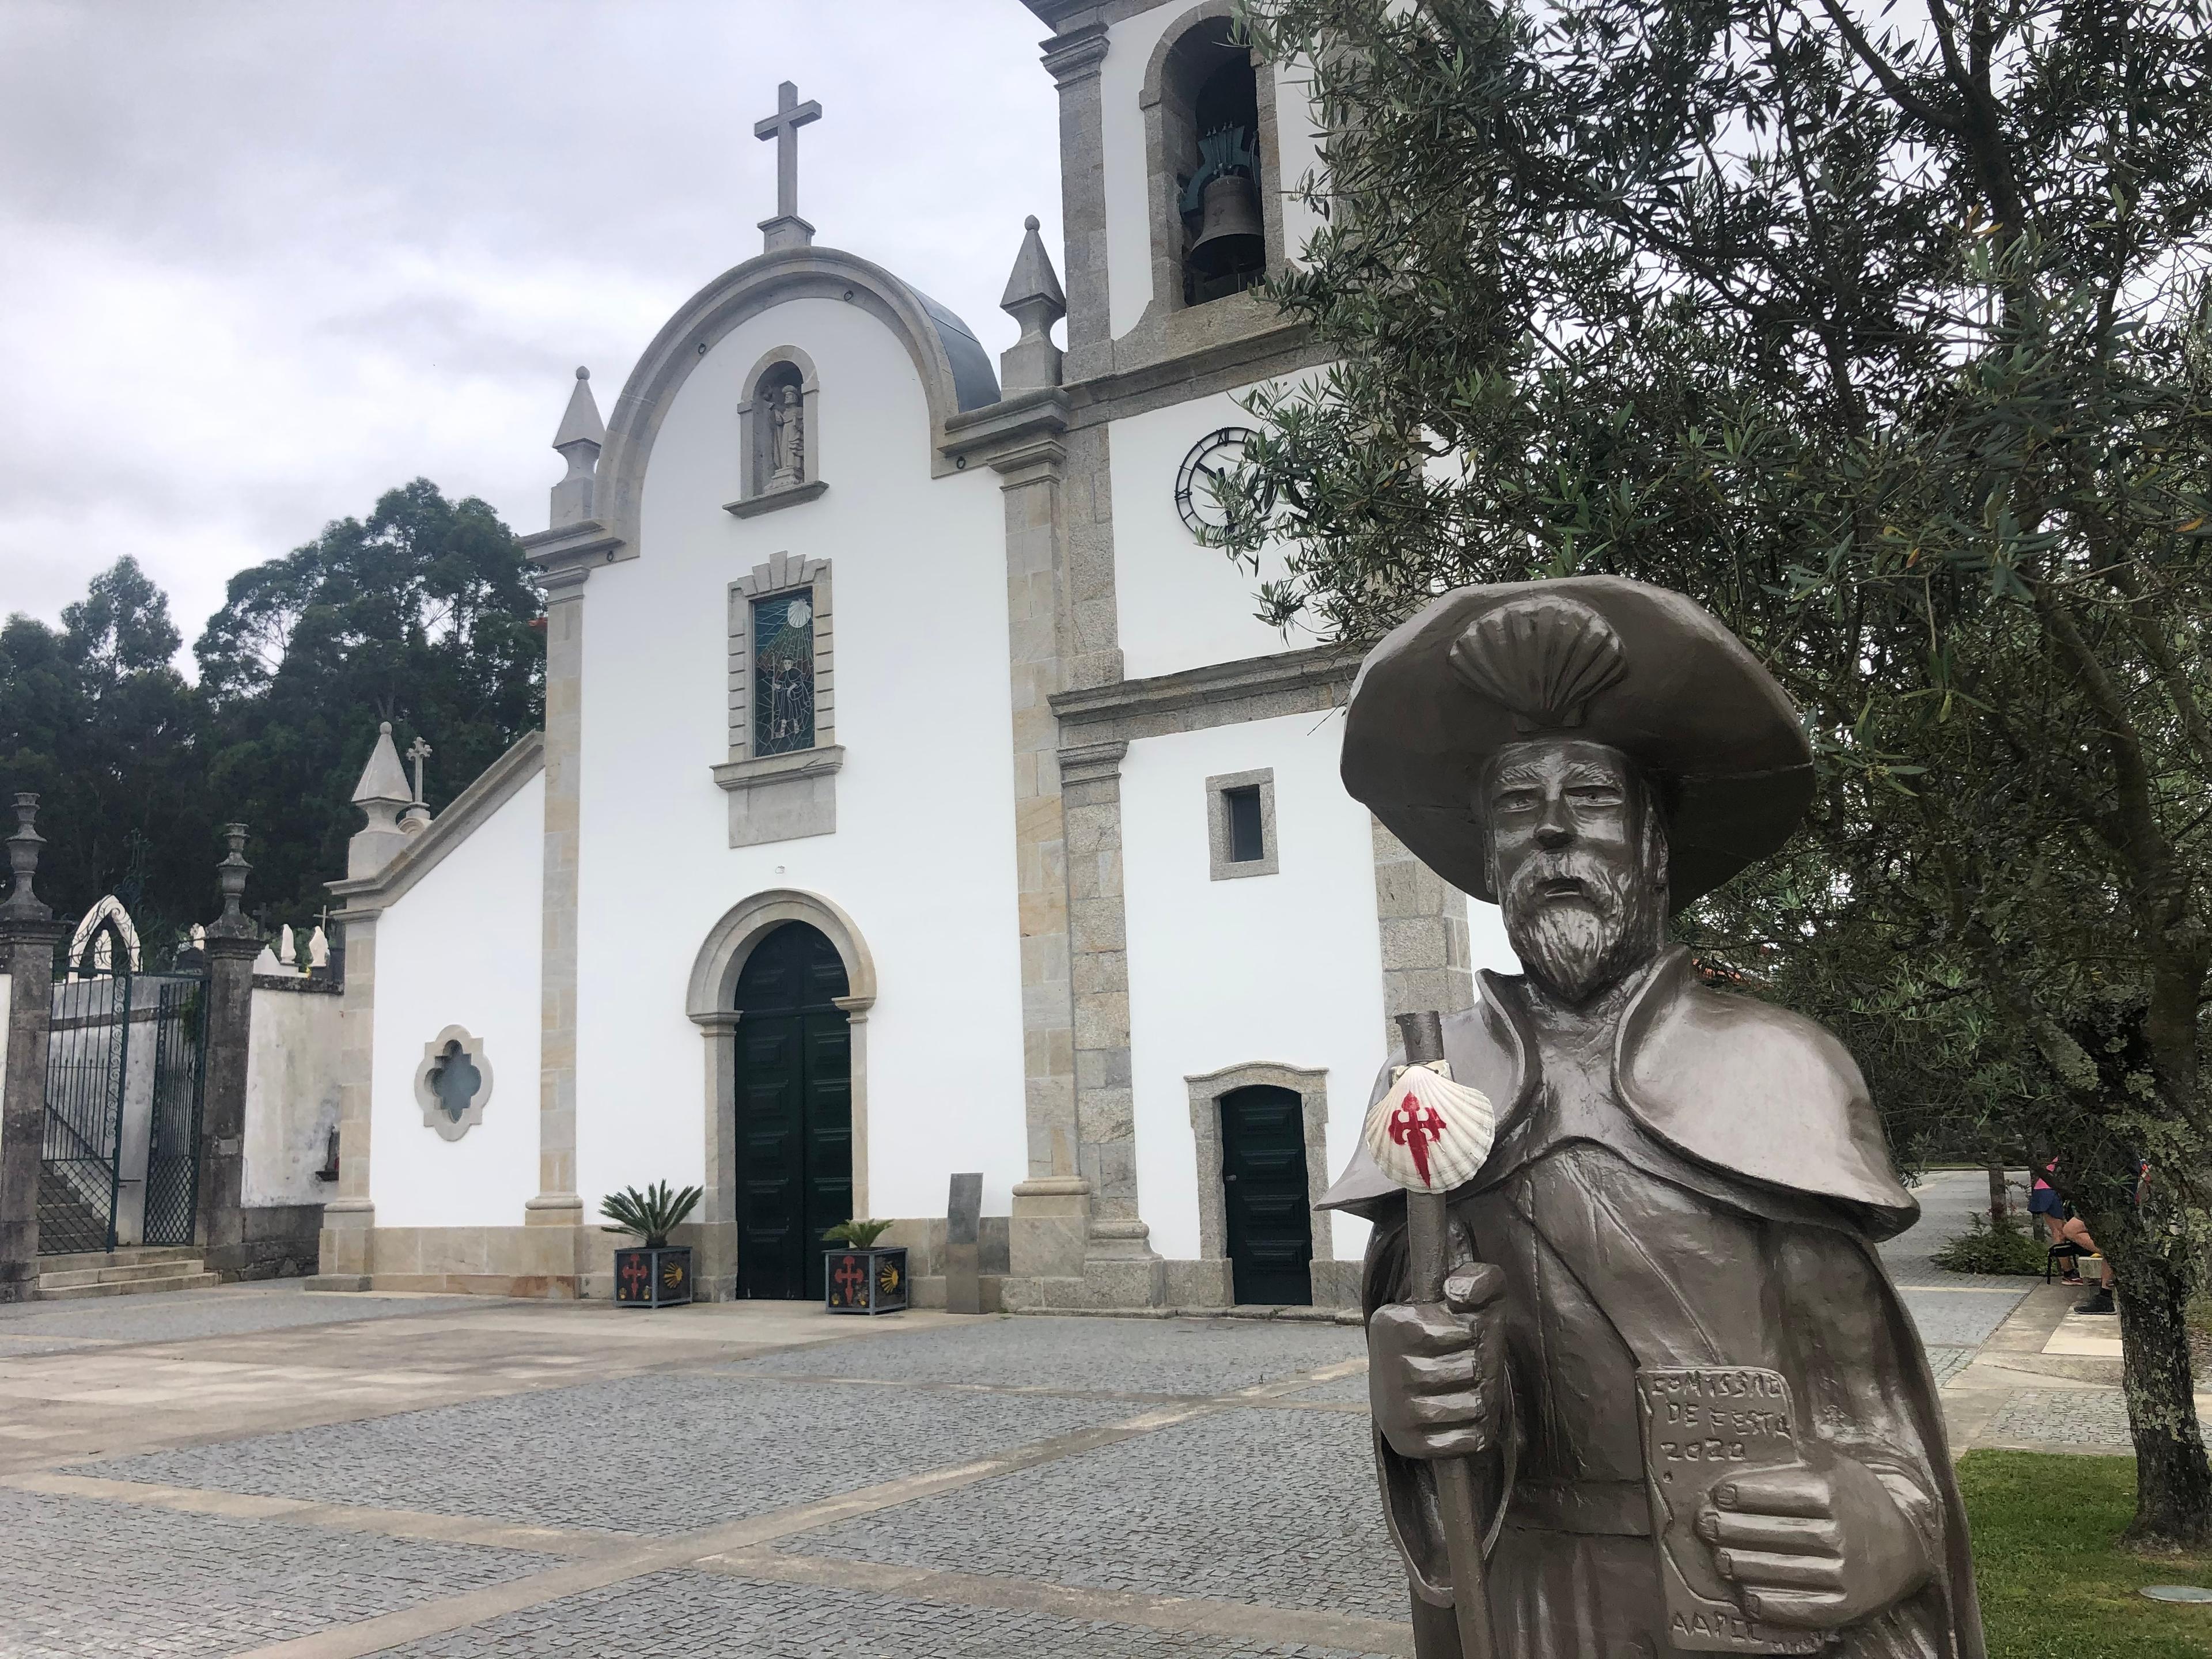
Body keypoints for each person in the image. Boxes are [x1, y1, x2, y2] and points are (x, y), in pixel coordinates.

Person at [1326, 578, 1983, 1659]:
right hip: (1531, 1597)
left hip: (1743, 1600)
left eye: (1588, 796)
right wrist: (1412, 1399)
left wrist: (1882, 1525)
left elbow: (1873, 1412)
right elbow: (1425, 1352)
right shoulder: (1433, 1078)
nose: (1549, 832)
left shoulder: (1783, 1066)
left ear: (1654, 841)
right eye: (1512, 806)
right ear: (1491, 862)